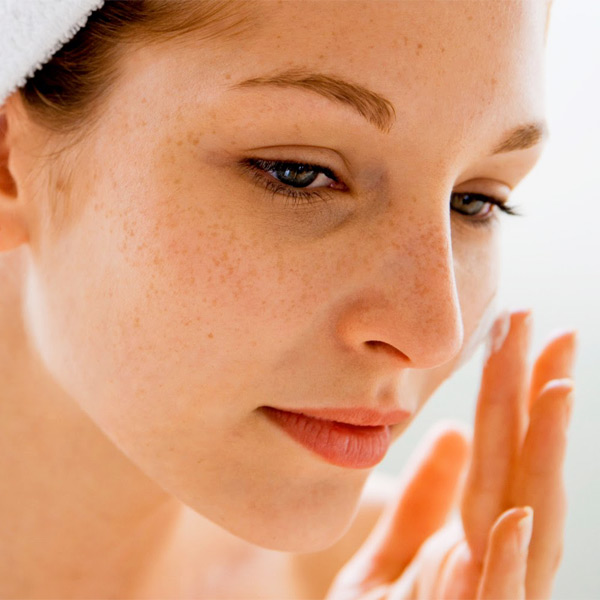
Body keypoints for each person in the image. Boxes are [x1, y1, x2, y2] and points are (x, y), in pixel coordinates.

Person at [0, 0, 577, 598]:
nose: (435, 337)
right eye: (297, 172)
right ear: (7, 159)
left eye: (475, 201)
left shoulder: (398, 578)